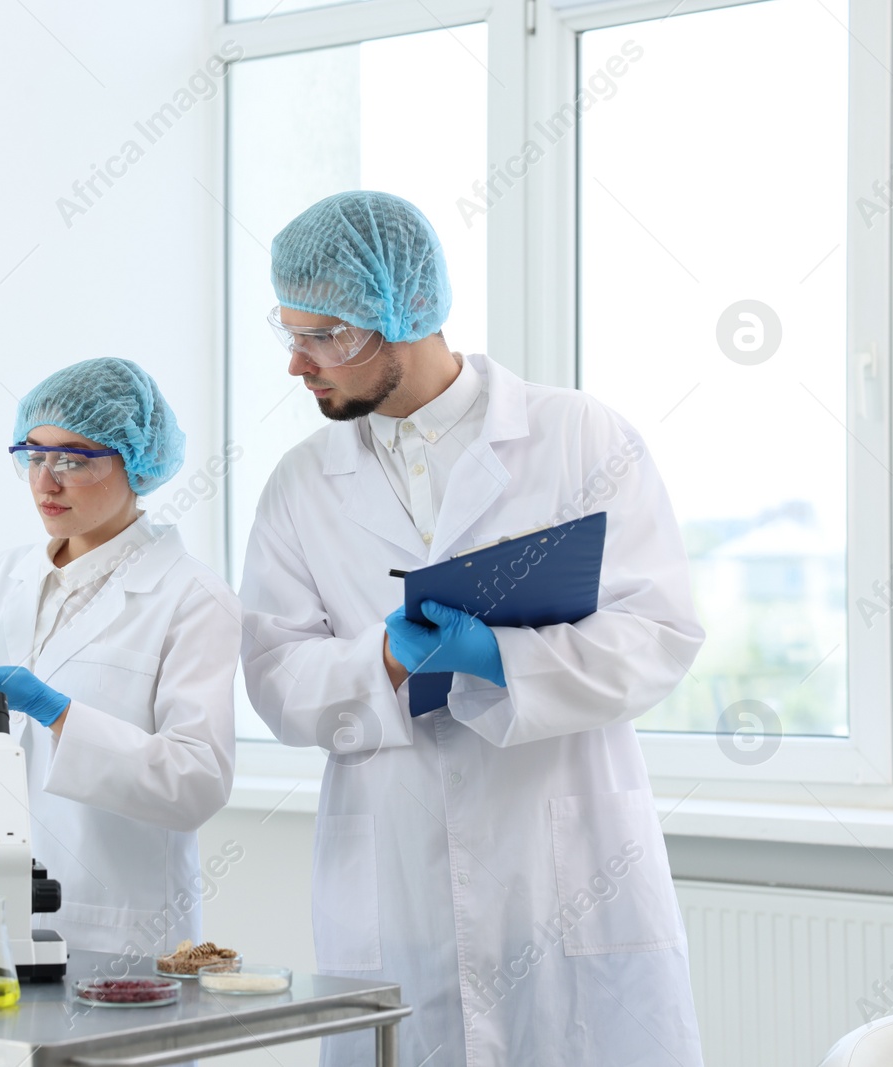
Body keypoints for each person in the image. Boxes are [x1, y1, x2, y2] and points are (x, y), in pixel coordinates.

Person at [240, 191, 705, 1067]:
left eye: (325, 336)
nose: (299, 364)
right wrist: (378, 655)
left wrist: (502, 658)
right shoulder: (299, 485)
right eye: (289, 333)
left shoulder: (577, 436)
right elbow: (275, 676)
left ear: (402, 314)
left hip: (561, 859)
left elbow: (661, 629)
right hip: (396, 877)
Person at [0, 357, 239, 958]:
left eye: (72, 460)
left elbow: (196, 785)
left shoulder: (192, 597)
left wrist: (57, 714)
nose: (45, 482)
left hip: (109, 930)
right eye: (33, 456)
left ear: (135, 460)